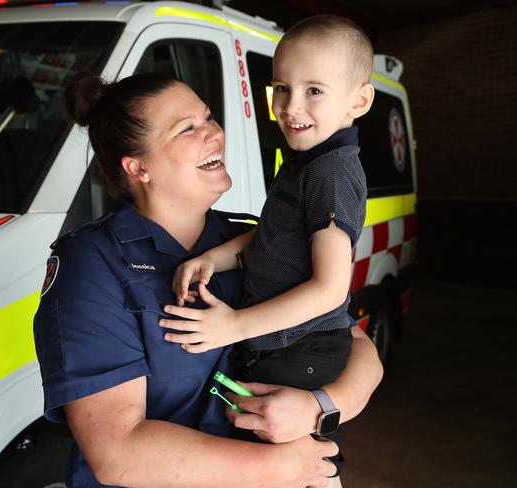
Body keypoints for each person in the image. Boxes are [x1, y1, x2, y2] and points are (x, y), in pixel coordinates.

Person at [33, 70, 382, 487]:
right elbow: (118, 452)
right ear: (138, 167)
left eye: (209, 117)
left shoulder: (249, 235)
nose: (214, 133)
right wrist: (285, 467)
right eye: (188, 128)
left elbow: (358, 346)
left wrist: (320, 405)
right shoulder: (92, 262)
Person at [162, 15, 376, 485]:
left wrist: (232, 326)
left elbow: (330, 288)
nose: (289, 106)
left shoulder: (331, 172)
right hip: (284, 344)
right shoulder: (305, 162)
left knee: (297, 468)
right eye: (281, 88)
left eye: (314, 90)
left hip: (301, 347)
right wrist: (211, 259)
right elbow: (272, 238)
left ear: (358, 100)